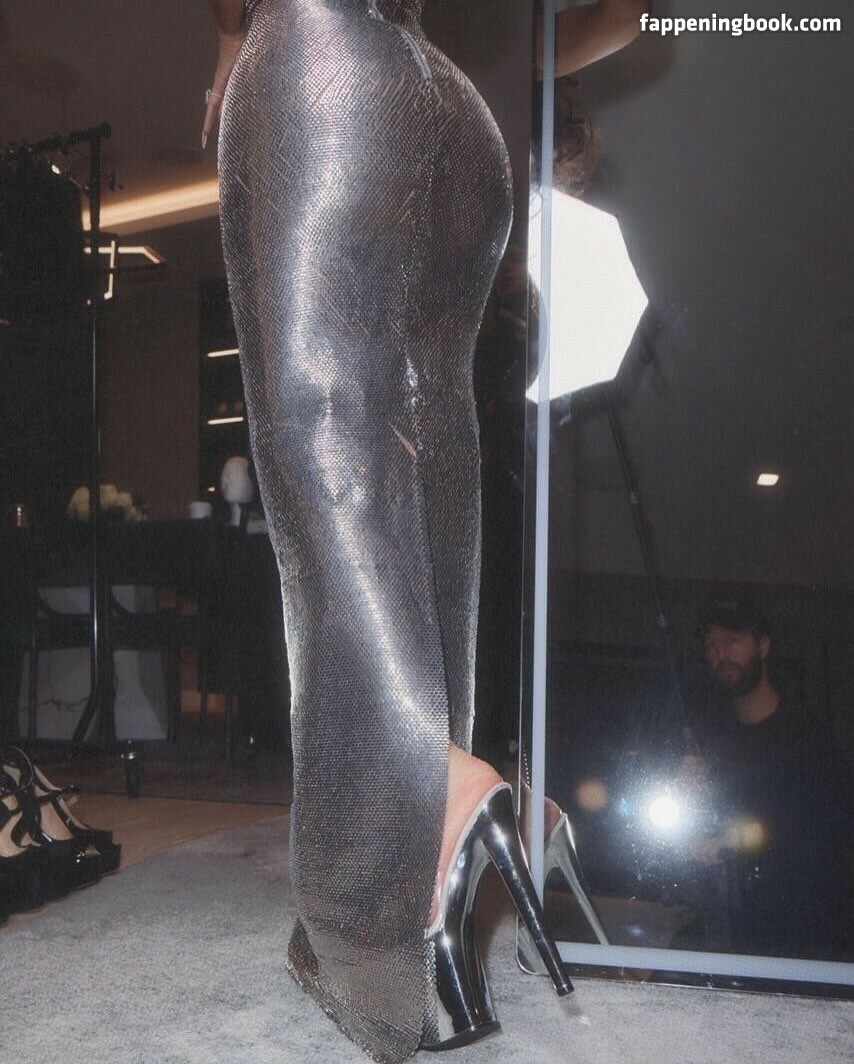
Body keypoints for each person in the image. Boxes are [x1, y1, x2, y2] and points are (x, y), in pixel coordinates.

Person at [201, 2, 648, 1059]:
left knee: (321, 424)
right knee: (425, 439)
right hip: (464, 114)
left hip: (320, 48)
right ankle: (485, 806)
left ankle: (417, 820)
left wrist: (227, 44)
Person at [691, 594, 852, 959]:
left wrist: (740, 838)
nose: (721, 654)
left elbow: (833, 828)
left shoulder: (808, 737)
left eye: (733, 640)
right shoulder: (711, 738)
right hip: (732, 929)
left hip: (804, 936)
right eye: (712, 645)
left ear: (763, 646)